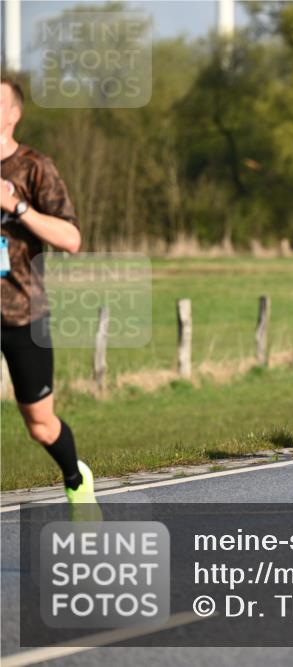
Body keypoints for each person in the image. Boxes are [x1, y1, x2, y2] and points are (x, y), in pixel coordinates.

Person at [0, 76, 99, 519]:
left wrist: (17, 207)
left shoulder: (35, 166)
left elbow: (71, 239)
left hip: (23, 312)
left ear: (13, 113)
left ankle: (76, 482)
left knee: (40, 426)